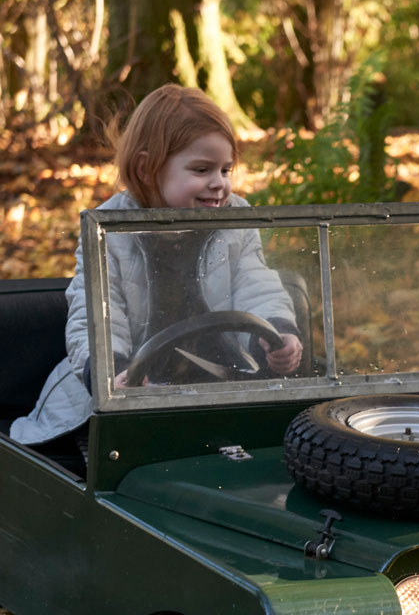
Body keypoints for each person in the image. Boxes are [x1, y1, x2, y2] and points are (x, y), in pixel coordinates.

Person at [10, 84, 302, 447]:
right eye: (202, 169)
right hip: (131, 383)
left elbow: (256, 281)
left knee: (292, 431)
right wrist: (110, 373)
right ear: (148, 168)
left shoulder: (234, 218)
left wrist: (276, 331)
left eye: (226, 169)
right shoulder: (108, 228)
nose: (219, 184)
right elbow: (96, 312)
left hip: (217, 376)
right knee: (106, 444)